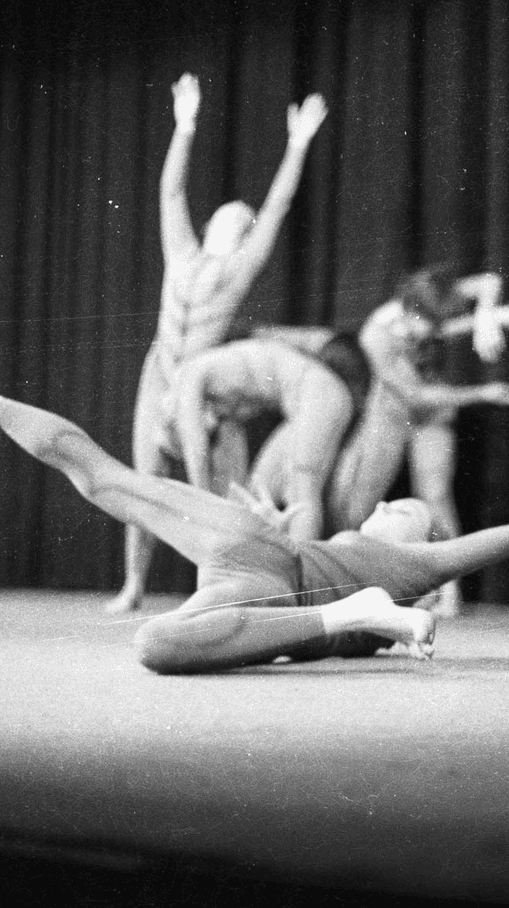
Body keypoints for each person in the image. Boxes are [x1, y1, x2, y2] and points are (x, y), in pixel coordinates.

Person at [0, 378, 509, 674]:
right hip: (270, 567)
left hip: (268, 574)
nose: (388, 505)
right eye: (392, 502)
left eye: (406, 512)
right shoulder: (389, 576)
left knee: (110, 487)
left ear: (419, 551)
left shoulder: (417, 572)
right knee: (116, 503)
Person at [115, 73, 328, 613]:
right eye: (236, 213)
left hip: (206, 393)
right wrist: (184, 125)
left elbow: (277, 207)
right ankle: (134, 584)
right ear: (214, 222)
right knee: (144, 487)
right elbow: (171, 191)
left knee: (218, 496)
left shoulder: (239, 270)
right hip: (158, 374)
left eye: (247, 219)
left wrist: (297, 144)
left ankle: (222, 583)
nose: (244, 216)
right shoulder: (182, 250)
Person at [258, 269, 509, 615]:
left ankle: (448, 587)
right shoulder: (376, 335)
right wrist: (484, 392)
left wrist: (487, 315)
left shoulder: (439, 299)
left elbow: (505, 294)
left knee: (436, 493)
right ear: (409, 310)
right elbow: (415, 396)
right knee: (355, 509)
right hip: (394, 411)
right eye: (430, 325)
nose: (433, 334)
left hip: (433, 410)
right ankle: (350, 587)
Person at [168, 338, 355, 543]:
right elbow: (233, 486)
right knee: (254, 498)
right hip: (307, 403)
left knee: (302, 491)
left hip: (320, 391)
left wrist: (203, 505)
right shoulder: (220, 402)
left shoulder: (189, 376)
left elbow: (195, 448)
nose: (209, 426)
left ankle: (302, 572)